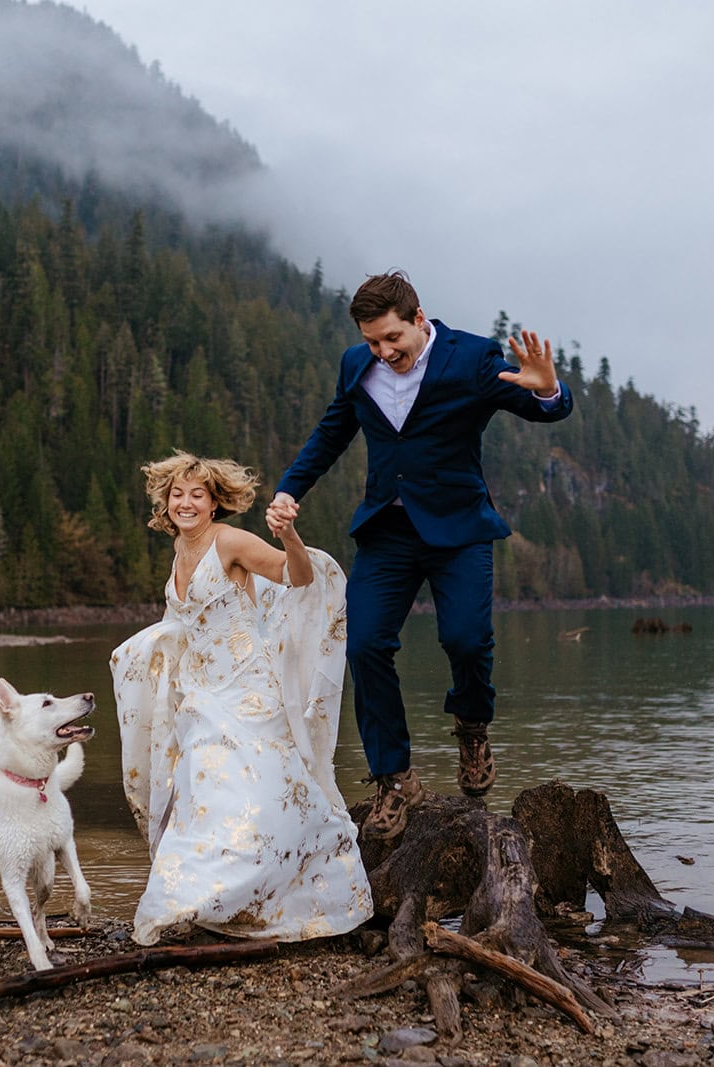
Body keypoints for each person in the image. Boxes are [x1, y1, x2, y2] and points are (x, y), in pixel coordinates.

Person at [269, 271, 574, 840]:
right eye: (373, 342)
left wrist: (547, 389)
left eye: (393, 339)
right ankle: (393, 779)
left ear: (418, 319)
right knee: (364, 644)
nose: (385, 352)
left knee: (465, 639)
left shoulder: (473, 358)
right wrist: (291, 488)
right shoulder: (356, 366)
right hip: (387, 529)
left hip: (459, 529)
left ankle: (472, 725)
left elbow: (547, 411)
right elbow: (332, 432)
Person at [110, 451, 373, 945]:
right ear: (166, 504)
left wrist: (290, 537)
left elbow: (298, 578)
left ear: (214, 505)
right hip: (202, 695)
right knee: (204, 800)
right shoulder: (179, 552)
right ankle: (204, 901)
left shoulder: (228, 541)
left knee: (261, 796)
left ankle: (278, 899)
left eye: (197, 496)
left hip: (251, 691)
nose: (185, 503)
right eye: (177, 495)